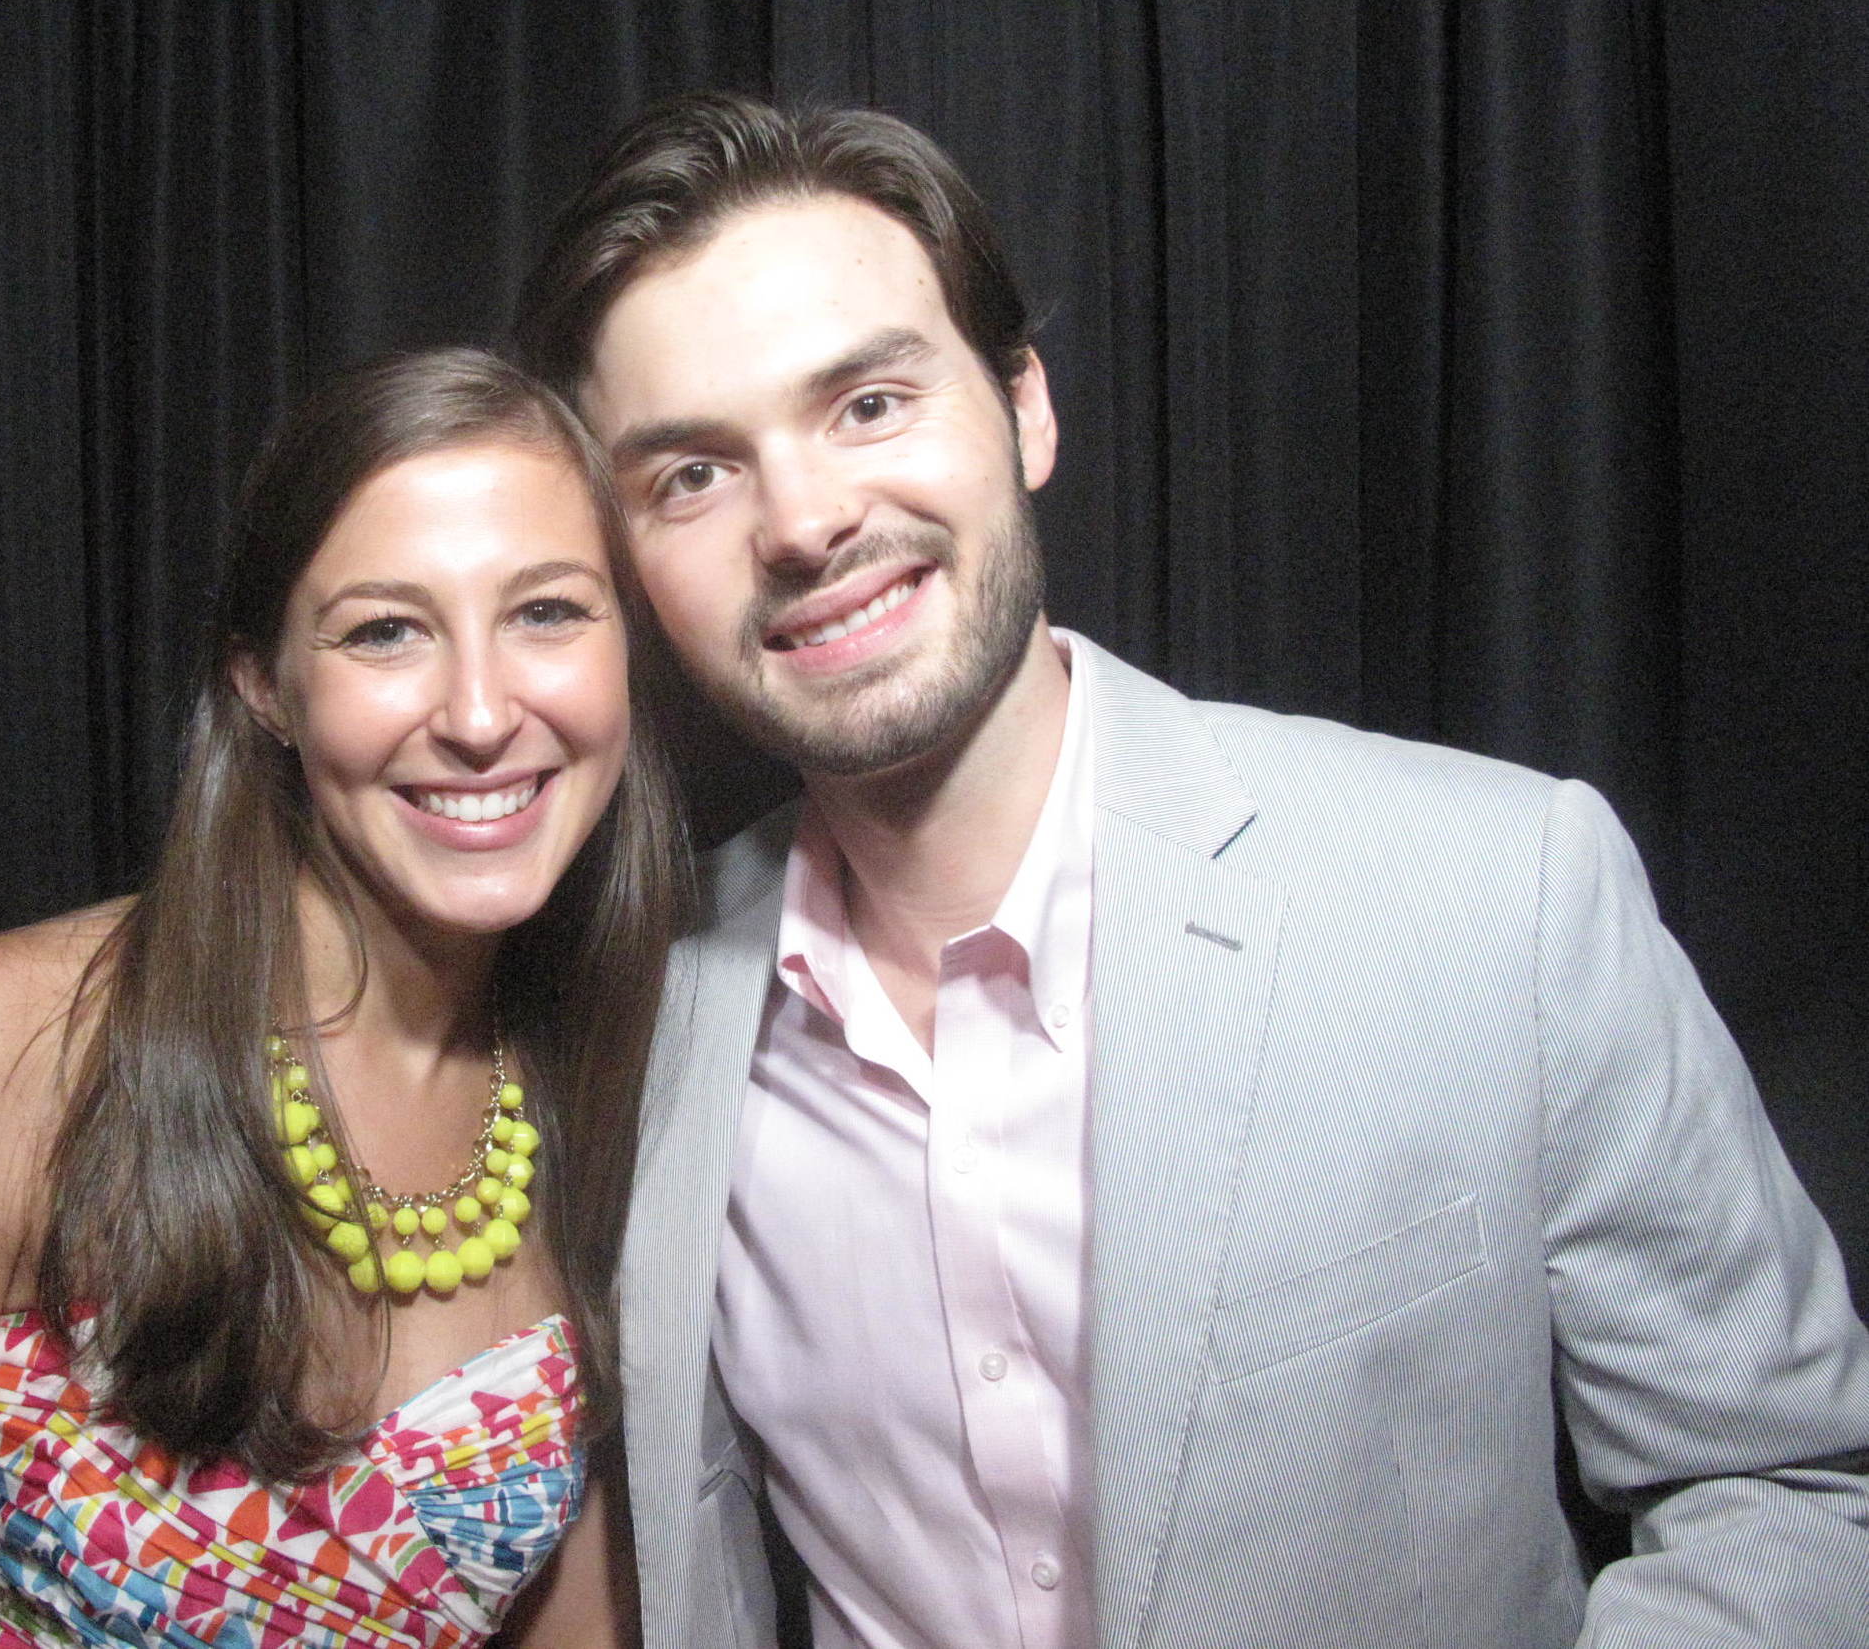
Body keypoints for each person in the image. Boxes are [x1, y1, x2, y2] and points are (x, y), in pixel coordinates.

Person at [509, 92, 1869, 1649]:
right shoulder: (633, 1011)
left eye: (871, 404)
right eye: (692, 476)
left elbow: (1791, 1487)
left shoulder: (1503, 894)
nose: (807, 521)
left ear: (1025, 408)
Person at [0, 348, 683, 1649]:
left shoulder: (614, 1068)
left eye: (548, 612)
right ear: (262, 685)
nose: (479, 712)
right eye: (386, 630)